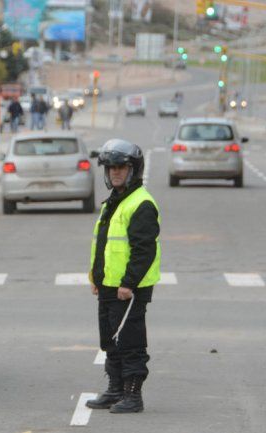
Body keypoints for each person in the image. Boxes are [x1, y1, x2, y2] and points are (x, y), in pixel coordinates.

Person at [86, 139, 161, 414]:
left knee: (130, 341)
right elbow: (104, 244)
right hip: (108, 285)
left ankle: (133, 395)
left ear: (133, 170)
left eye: (121, 167)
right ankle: (115, 388)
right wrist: (96, 277)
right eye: (111, 168)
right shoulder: (114, 202)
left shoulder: (140, 204)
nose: (115, 172)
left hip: (127, 288)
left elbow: (144, 250)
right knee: (110, 339)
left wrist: (129, 283)